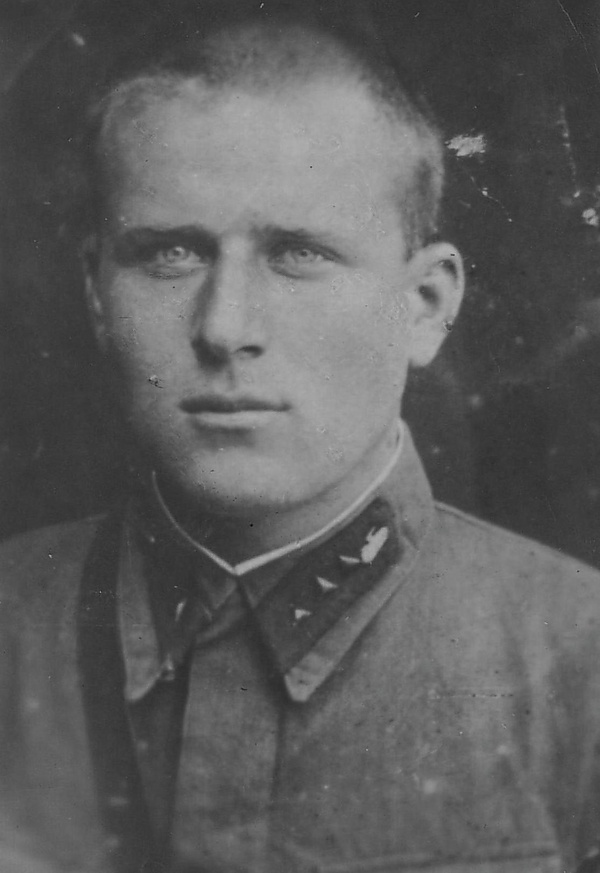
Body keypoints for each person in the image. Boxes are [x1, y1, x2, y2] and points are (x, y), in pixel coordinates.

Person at [2, 9, 600, 873]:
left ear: (425, 305)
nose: (225, 327)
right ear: (97, 296)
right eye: (170, 253)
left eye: (298, 254)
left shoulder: (580, 663)